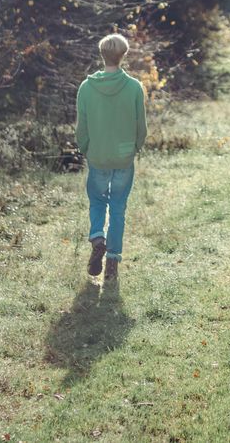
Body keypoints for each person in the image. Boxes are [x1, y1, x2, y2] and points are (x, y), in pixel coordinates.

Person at [75, 33, 147, 280]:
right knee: (118, 208)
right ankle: (113, 260)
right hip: (124, 157)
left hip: (97, 156)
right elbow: (141, 128)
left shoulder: (86, 88)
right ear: (123, 55)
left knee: (97, 201)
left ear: (101, 54)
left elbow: (81, 127)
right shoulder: (135, 87)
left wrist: (86, 148)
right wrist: (134, 148)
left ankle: (97, 237)